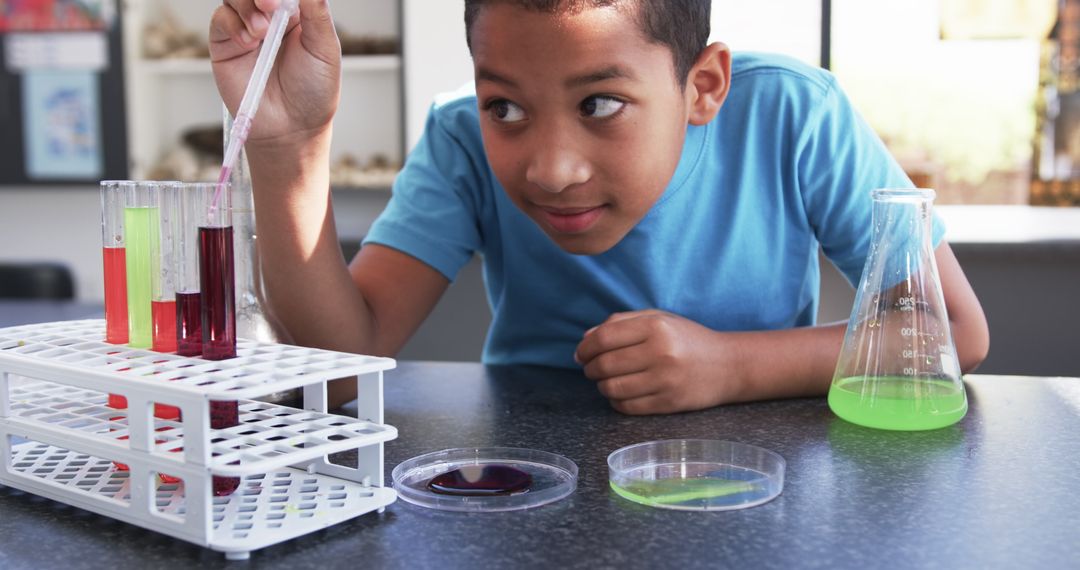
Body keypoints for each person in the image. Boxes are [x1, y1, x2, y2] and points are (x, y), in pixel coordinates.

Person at [209, 0, 989, 414]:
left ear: (703, 87)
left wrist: (731, 367)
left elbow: (951, 332)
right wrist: (288, 149)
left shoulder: (796, 114)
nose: (551, 170)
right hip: (526, 478)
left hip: (760, 478)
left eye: (601, 104)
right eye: (505, 107)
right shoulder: (459, 138)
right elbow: (338, 370)